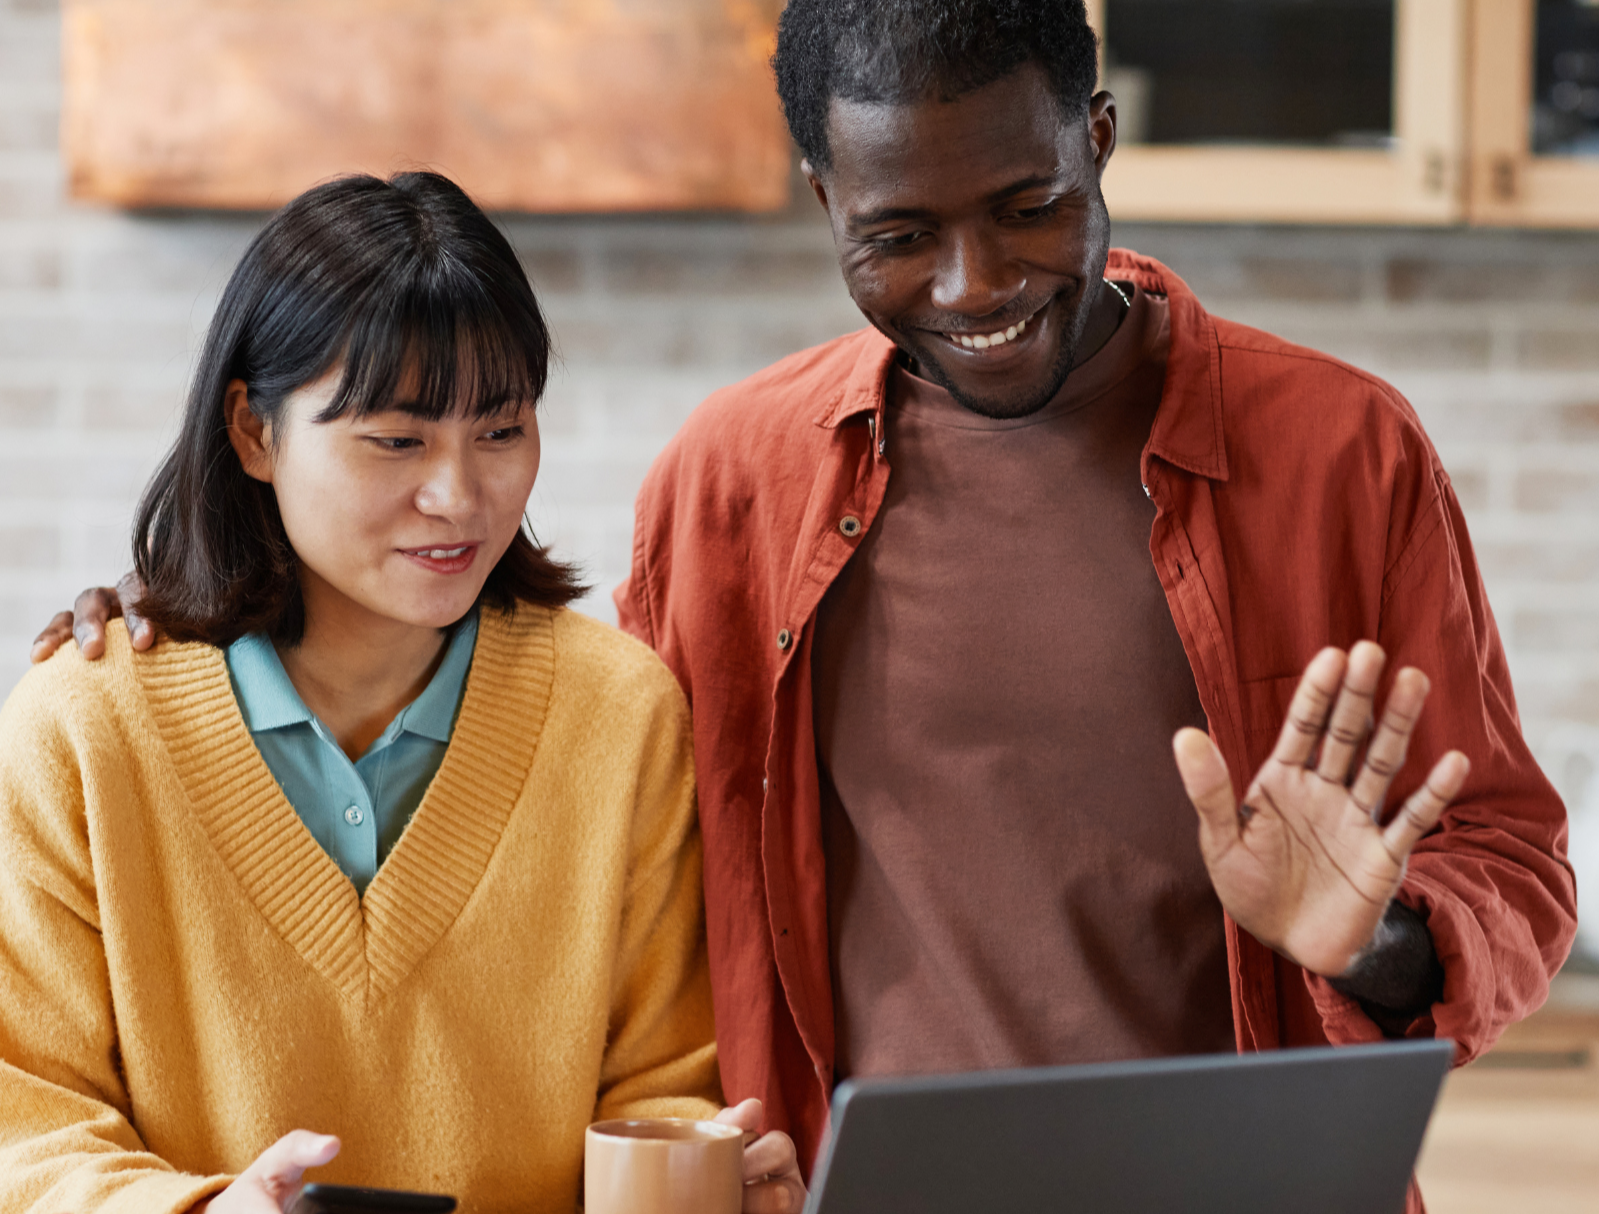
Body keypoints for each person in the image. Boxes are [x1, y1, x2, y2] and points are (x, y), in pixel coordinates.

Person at [38, 3, 1576, 1209]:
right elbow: (595, 834)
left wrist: (1372, 940)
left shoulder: (1338, 450)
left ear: (1099, 138)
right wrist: (188, 617)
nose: (973, 280)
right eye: (897, 233)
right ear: (824, 198)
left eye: (1027, 202)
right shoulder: (737, 475)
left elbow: (1506, 855)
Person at [3, 172, 803, 1213]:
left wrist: (705, 1178)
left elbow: (659, 1084)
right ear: (253, 432)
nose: (460, 496)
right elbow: (27, 1122)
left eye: (502, 429)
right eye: (396, 439)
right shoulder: (84, 727)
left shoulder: (618, 712)